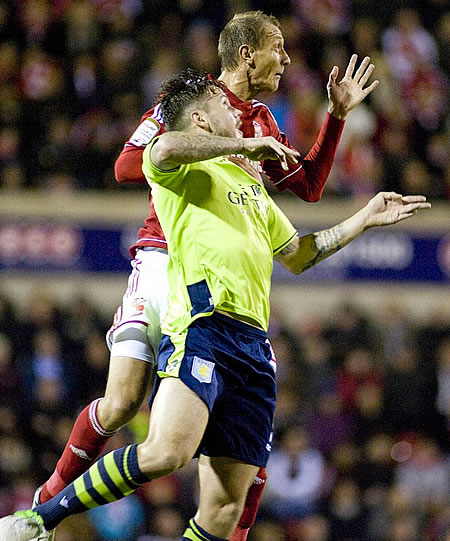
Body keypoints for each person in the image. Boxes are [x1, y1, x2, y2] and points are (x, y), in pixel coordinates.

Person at [0, 70, 430, 541]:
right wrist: (245, 148)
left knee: (225, 509)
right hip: (203, 327)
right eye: (225, 109)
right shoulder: (182, 172)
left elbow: (300, 255)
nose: (238, 117)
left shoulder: (251, 188)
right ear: (201, 119)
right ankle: (41, 518)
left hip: (255, 348)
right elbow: (157, 151)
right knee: (167, 450)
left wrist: (363, 220)